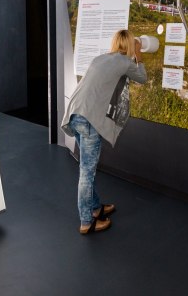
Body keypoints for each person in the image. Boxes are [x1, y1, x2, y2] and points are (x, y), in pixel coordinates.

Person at [61, 29, 147, 235]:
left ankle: (96, 207)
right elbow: (142, 77)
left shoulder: (100, 58)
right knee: (87, 173)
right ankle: (86, 222)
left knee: (86, 167)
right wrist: (138, 54)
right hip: (89, 120)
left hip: (74, 114)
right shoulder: (125, 62)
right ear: (128, 44)